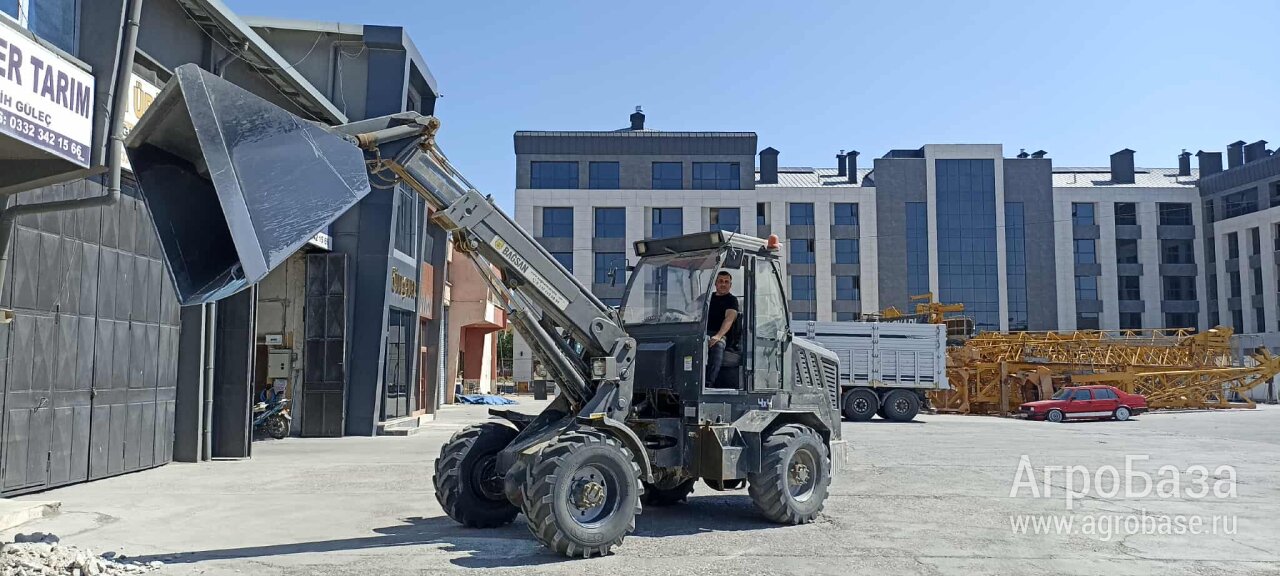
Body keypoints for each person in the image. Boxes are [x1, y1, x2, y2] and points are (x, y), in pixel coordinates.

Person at [705, 271, 740, 385]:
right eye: (720, 281)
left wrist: (718, 336)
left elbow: (729, 318)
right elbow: (691, 310)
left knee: (717, 345)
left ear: (730, 285)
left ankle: (709, 382)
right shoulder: (706, 298)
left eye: (726, 282)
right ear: (715, 283)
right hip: (703, 333)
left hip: (721, 334)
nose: (723, 284)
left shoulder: (732, 300)